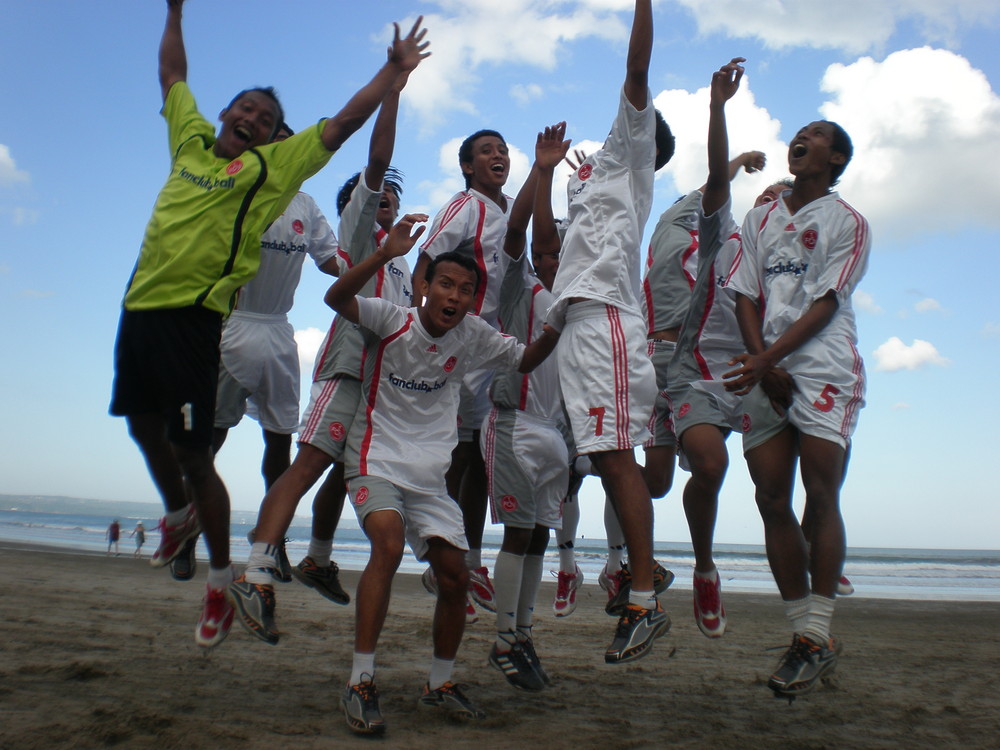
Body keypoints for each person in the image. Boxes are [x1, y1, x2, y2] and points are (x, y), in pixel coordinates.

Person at [108, 0, 430, 649]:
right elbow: (172, 74)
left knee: (244, 450)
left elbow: (341, 127)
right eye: (245, 108)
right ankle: (182, 524)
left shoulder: (281, 179)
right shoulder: (192, 143)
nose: (252, 119)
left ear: (275, 137)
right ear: (225, 114)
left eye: (267, 118)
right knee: (154, 429)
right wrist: (173, 13)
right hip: (148, 310)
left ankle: (243, 572)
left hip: (225, 323)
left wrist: (390, 73)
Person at [227, 63, 417, 616]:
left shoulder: (401, 264)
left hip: (387, 381)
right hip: (349, 364)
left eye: (389, 200)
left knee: (349, 469)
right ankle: (257, 567)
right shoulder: (358, 232)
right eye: (375, 197)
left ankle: (317, 557)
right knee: (308, 461)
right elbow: (377, 162)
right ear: (353, 205)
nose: (383, 203)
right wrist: (393, 94)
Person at [724, 105, 871, 696]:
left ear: (835, 159)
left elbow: (828, 301)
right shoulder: (759, 219)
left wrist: (768, 358)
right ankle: (803, 631)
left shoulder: (848, 221)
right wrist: (762, 361)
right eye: (797, 134)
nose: (799, 140)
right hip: (767, 365)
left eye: (814, 138)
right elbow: (743, 294)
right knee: (769, 496)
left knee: (821, 491)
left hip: (823, 364)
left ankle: (815, 635)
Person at [546, 0, 675, 664]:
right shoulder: (593, 189)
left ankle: (644, 597)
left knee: (616, 458)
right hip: (577, 327)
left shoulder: (631, 159)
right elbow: (552, 258)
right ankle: (636, 580)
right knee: (600, 459)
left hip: (609, 328)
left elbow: (635, 66)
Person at [651, 58, 768, 638]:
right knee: (709, 464)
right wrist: (719, 109)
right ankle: (703, 566)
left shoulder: (764, 256)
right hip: (689, 370)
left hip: (747, 370)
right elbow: (713, 187)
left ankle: (812, 548)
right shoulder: (711, 230)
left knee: (774, 472)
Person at [411, 127, 514, 619]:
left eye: (502, 150)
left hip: (487, 343)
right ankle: (442, 559)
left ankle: (469, 561)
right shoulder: (464, 204)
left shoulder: (510, 208)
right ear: (469, 166)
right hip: (456, 336)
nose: (498, 155)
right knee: (452, 455)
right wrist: (422, 328)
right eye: (486, 151)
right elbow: (425, 261)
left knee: (477, 458)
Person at [484, 123, 571, 690]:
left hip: (554, 433)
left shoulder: (579, 303)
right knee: (518, 534)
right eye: (548, 248)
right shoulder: (521, 285)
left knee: (539, 536)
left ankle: (523, 631)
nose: (551, 252)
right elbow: (518, 228)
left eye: (558, 247)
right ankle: (501, 639)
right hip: (512, 425)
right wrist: (544, 171)